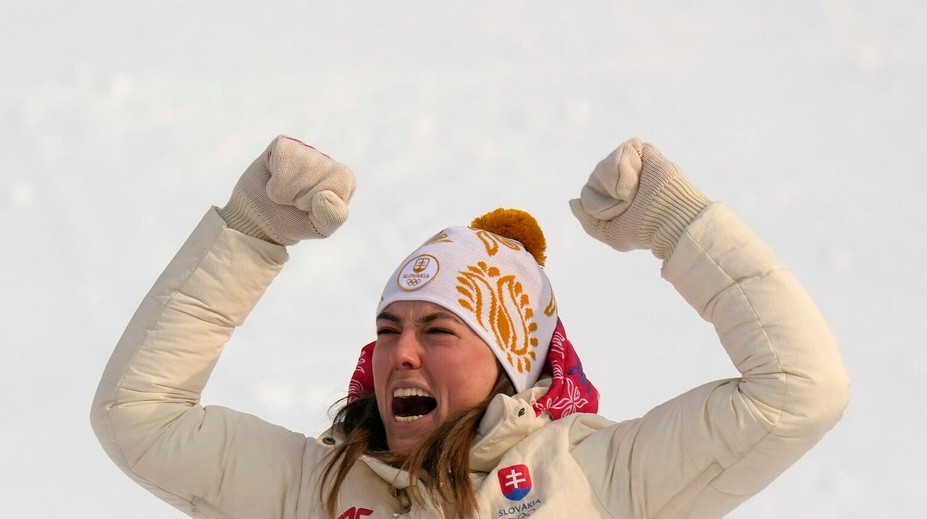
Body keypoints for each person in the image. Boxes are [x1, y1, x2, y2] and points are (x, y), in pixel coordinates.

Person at [91, 135, 849, 519]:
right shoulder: (313, 487)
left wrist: (677, 226)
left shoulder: (602, 475)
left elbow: (799, 389)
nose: (400, 353)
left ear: (509, 361)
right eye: (388, 328)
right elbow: (140, 419)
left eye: (439, 329)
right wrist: (250, 232)